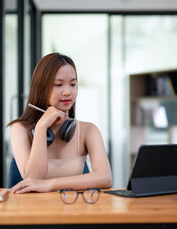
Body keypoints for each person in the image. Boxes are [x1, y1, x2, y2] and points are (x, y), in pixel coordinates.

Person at [8, 52, 112, 194]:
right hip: (33, 212)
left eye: (73, 84)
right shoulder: (20, 129)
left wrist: (52, 184)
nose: (67, 92)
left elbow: (105, 178)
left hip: (73, 209)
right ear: (41, 88)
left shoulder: (89, 130)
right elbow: (32, 178)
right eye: (58, 85)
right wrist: (41, 127)